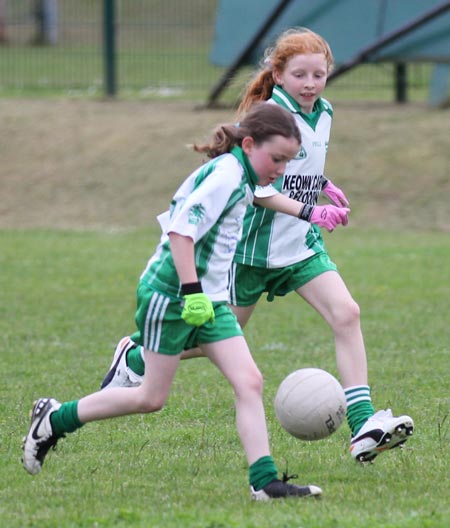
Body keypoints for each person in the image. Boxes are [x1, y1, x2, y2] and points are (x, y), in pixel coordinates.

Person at [101, 28, 414, 464]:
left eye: (318, 74)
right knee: (221, 337)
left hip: (299, 248)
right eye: (300, 74)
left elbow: (295, 166)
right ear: (278, 74)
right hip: (249, 251)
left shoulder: (323, 112)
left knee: (347, 313)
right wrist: (310, 211)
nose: (310, 83)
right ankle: (135, 353)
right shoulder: (269, 113)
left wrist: (322, 185)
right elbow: (257, 188)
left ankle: (363, 424)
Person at [22, 102, 326, 501]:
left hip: (208, 298)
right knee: (151, 398)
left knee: (249, 381)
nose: (281, 169)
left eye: (288, 161)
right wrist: (192, 293)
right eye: (277, 159)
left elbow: (262, 196)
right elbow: (181, 234)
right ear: (249, 144)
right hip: (170, 295)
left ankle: (265, 483)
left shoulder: (244, 173)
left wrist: (313, 203)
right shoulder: (226, 177)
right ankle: (54, 420)